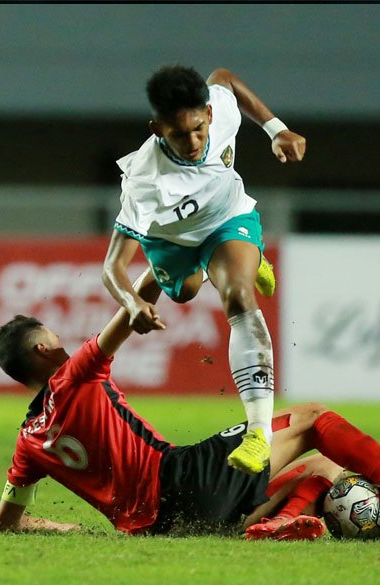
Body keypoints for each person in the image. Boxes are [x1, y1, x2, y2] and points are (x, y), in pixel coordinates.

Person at [0, 271, 380, 540]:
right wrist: (173, 253)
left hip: (163, 528)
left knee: (322, 466)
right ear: (43, 352)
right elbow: (130, 308)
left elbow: (5, 523)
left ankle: (279, 522)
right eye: (55, 340)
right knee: (310, 416)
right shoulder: (74, 376)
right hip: (182, 480)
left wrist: (58, 525)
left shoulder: (28, 441)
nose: (64, 343)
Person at [101, 64, 307, 476]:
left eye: (198, 128)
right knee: (185, 291)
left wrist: (276, 129)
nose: (194, 141)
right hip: (172, 244)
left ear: (209, 114)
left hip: (228, 219)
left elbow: (225, 76)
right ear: (158, 128)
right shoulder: (144, 180)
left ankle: (258, 434)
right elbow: (112, 266)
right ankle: (236, 265)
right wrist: (132, 301)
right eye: (180, 134)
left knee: (239, 297)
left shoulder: (220, 111)